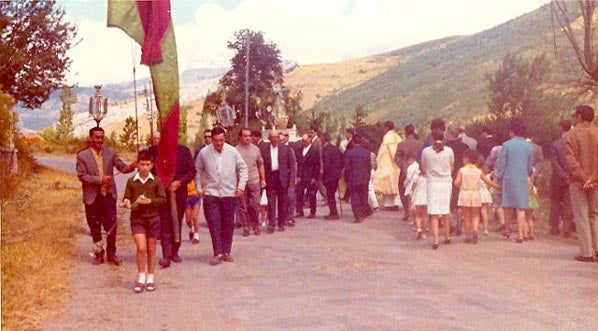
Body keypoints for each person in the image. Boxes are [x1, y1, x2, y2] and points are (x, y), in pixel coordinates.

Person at [76, 127, 136, 265]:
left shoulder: (110, 152)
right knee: (94, 226)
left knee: (112, 225)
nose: (99, 140)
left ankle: (111, 254)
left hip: (108, 195)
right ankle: (99, 254)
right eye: (97, 137)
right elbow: (82, 176)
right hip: (92, 197)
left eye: (102, 137)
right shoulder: (82, 155)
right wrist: (100, 180)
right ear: (90, 138)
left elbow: (122, 166)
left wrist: (132, 166)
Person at [195, 126, 248, 265]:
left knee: (227, 224)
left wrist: (241, 187)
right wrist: (199, 188)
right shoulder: (204, 153)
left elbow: (243, 168)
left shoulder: (232, 152)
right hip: (211, 194)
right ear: (211, 140)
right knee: (214, 223)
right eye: (216, 141)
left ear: (224, 139)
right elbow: (198, 171)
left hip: (228, 193)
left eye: (221, 140)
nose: (219, 143)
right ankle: (217, 253)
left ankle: (226, 251)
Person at [146, 132, 196, 268]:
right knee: (164, 222)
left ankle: (175, 251)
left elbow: (192, 171)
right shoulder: (155, 151)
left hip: (179, 193)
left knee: (177, 221)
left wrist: (180, 182)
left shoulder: (183, 151)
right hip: (162, 194)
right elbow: (147, 169)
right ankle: (166, 255)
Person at [123, 150, 166, 293]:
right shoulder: (131, 181)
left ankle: (151, 278)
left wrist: (149, 201)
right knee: (141, 247)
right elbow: (127, 197)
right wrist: (127, 202)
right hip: (137, 218)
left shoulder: (156, 181)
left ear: (152, 165)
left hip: (153, 218)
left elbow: (162, 199)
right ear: (137, 165)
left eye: (148, 165)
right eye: (142, 164)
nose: (145, 168)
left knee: (151, 248)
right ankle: (141, 277)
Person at [564, 105, 598, 263]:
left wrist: (584, 177)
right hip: (596, 181)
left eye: (574, 115)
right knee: (594, 214)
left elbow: (571, 160)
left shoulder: (571, 135)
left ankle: (586, 252)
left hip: (578, 181)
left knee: (582, 215)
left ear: (579, 116)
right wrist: (592, 177)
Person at [495, 119, 533, 243]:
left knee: (507, 205)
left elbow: (501, 164)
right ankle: (521, 235)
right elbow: (529, 166)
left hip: (508, 178)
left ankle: (507, 228)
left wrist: (499, 178)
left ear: (512, 132)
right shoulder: (528, 146)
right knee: (521, 207)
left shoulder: (506, 145)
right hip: (522, 178)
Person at [453, 149, 498, 244]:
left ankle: (468, 236)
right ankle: (475, 231)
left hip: (465, 193)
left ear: (467, 159)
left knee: (466, 216)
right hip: (476, 193)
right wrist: (497, 186)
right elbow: (487, 181)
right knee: (475, 214)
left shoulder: (462, 170)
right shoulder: (478, 171)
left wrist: (459, 183)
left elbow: (456, 183)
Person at [421, 129, 454, 250]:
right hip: (446, 183)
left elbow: (423, 168)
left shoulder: (426, 152)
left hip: (432, 183)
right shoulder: (449, 151)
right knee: (446, 210)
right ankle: (447, 236)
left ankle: (435, 239)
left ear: (432, 138)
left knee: (434, 212)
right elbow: (452, 167)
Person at [260, 129, 297, 233]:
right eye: (273, 138)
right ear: (269, 139)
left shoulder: (286, 148)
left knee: (282, 202)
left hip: (282, 178)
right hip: (270, 177)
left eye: (277, 137)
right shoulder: (264, 149)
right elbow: (262, 164)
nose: (275, 140)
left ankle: (281, 223)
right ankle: (271, 224)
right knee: (271, 202)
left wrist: (292, 179)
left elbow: (292, 165)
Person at [235, 128, 266, 236]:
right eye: (245, 136)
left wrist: (263, 179)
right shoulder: (235, 150)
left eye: (249, 136)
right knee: (242, 206)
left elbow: (261, 164)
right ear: (240, 137)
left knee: (255, 205)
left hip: (254, 180)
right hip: (241, 183)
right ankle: (246, 227)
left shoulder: (256, 149)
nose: (248, 138)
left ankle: (255, 225)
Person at [548, 119, 573, 236]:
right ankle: (567, 228)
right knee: (568, 203)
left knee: (555, 203)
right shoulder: (573, 142)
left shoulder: (556, 144)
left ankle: (554, 227)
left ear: (561, 128)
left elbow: (554, 162)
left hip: (557, 179)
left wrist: (562, 175)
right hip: (572, 177)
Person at [394, 124, 423, 220]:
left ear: (406, 132)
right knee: (416, 190)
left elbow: (396, 157)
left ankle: (407, 211)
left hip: (405, 170)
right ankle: (415, 211)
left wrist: (402, 165)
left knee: (403, 190)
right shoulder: (420, 144)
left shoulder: (402, 144)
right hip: (418, 170)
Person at [373, 121, 402, 209]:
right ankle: (396, 203)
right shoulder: (398, 137)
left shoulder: (386, 137)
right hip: (397, 165)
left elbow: (382, 151)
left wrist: (378, 161)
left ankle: (388, 205)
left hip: (387, 163)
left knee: (387, 185)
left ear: (386, 128)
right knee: (396, 184)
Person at [344, 134, 371, 223]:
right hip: (364, 178)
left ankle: (358, 215)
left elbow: (347, 167)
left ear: (353, 142)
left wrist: (346, 179)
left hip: (353, 178)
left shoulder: (349, 153)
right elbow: (369, 166)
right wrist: (368, 177)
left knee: (355, 197)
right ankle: (363, 213)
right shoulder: (366, 152)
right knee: (363, 196)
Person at [296, 134, 320, 219]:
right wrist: (298, 175)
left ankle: (313, 212)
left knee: (312, 194)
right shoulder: (300, 149)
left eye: (305, 141)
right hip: (301, 175)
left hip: (310, 176)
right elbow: (299, 163)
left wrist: (314, 177)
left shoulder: (314, 150)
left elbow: (317, 165)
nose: (303, 142)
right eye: (302, 141)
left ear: (309, 141)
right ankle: (299, 210)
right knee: (299, 193)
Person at [321, 132, 343, 220]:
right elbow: (342, 160)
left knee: (330, 195)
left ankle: (333, 213)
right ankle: (333, 212)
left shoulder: (325, 150)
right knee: (331, 194)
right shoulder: (335, 149)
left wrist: (324, 174)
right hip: (336, 175)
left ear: (323, 139)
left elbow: (326, 164)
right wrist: (339, 170)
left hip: (329, 176)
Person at [280, 129, 299, 226]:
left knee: (290, 197)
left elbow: (293, 164)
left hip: (289, 178)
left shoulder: (290, 149)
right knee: (283, 198)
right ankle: (283, 216)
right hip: (280, 179)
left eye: (283, 140)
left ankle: (290, 217)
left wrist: (294, 178)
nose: (281, 142)